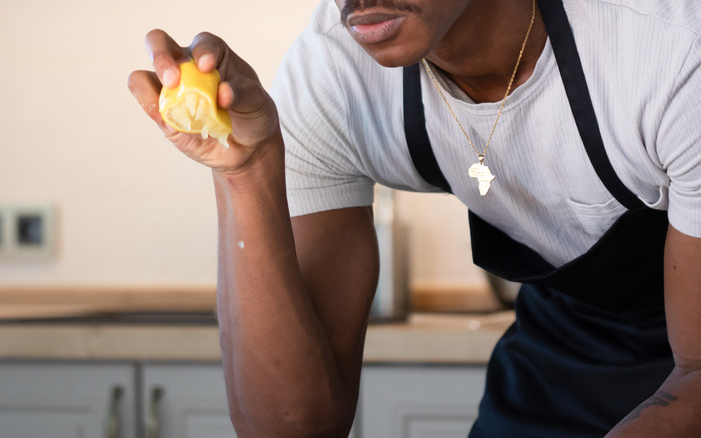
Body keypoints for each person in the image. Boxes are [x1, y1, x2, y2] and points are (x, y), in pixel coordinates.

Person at [128, 0, 701, 436]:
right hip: (563, 354)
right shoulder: (337, 70)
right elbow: (295, 426)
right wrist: (247, 171)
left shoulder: (666, 48)